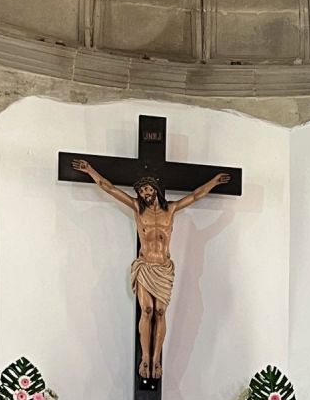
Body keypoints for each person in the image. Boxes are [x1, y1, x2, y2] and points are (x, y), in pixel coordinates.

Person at [72, 159, 231, 383]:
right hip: (146, 265)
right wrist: (89, 170)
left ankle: (157, 358)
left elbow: (195, 195)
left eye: (147, 189)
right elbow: (109, 188)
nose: (145, 193)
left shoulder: (172, 209)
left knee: (159, 312)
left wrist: (213, 183)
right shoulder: (138, 208)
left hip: (164, 268)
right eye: (141, 191)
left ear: (155, 190)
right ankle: (145, 358)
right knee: (147, 310)